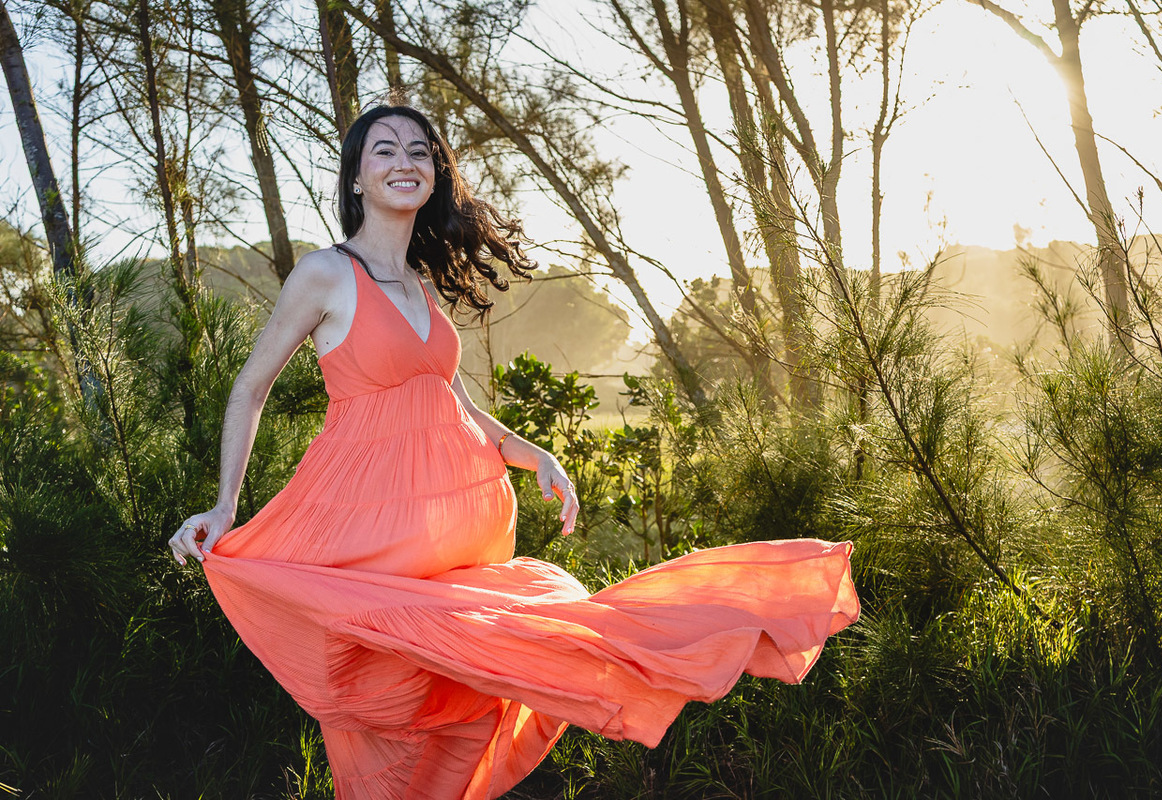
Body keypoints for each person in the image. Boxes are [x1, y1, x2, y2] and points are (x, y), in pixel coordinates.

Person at [169, 102, 859, 800]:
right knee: (392, 700)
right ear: (356, 178)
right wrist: (226, 505)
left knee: (510, 658)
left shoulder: (418, 288)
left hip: (444, 551)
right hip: (366, 539)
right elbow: (249, 388)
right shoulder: (325, 273)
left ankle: (733, 622)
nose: (405, 161)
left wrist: (538, 458)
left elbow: (457, 408)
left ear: (435, 175)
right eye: (384, 150)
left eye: (419, 150)